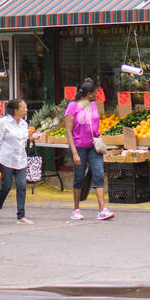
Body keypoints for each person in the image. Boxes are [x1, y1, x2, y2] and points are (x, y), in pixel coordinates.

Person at [65, 77, 113, 221]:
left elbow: (95, 125)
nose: (97, 95)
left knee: (98, 174)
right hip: (79, 147)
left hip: (94, 147)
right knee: (79, 177)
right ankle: (76, 209)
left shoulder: (93, 105)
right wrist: (74, 153)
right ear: (89, 93)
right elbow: (68, 131)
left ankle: (102, 209)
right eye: (95, 92)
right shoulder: (72, 107)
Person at [0, 99, 33, 224]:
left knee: (22, 186)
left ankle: (21, 216)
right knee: (6, 186)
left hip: (21, 159)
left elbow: (23, 141)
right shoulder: (3, 123)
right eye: (23, 107)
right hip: (7, 159)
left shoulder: (24, 124)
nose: (26, 110)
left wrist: (32, 137)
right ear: (16, 110)